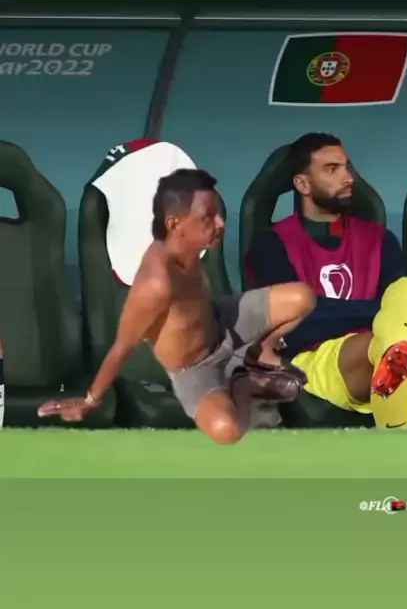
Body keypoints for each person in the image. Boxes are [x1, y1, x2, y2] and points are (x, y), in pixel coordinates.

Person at [38, 169, 315, 443]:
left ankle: (255, 355)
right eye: (208, 216)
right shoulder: (156, 284)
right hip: (196, 368)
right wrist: (90, 400)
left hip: (222, 321)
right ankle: (243, 387)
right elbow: (122, 346)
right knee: (227, 431)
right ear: (174, 224)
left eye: (219, 214)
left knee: (303, 297)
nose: (221, 223)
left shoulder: (193, 247)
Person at [246, 133, 407, 430]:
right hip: (317, 358)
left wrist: (331, 311)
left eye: (346, 167)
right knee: (393, 335)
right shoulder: (271, 245)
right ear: (302, 184)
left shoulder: (380, 239)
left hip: (394, 347)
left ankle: (392, 355)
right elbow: (295, 325)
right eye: (332, 169)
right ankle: (392, 359)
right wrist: (379, 314)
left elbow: (405, 308)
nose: (348, 177)